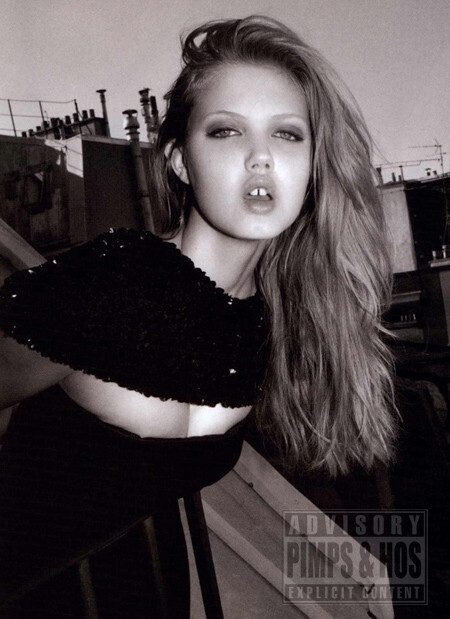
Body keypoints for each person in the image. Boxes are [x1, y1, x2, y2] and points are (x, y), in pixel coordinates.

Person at [0, 15, 396, 617]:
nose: (261, 158)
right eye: (226, 131)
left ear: (315, 164)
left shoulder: (281, 319)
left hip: (147, 593)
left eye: (288, 134)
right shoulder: (116, 279)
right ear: (181, 160)